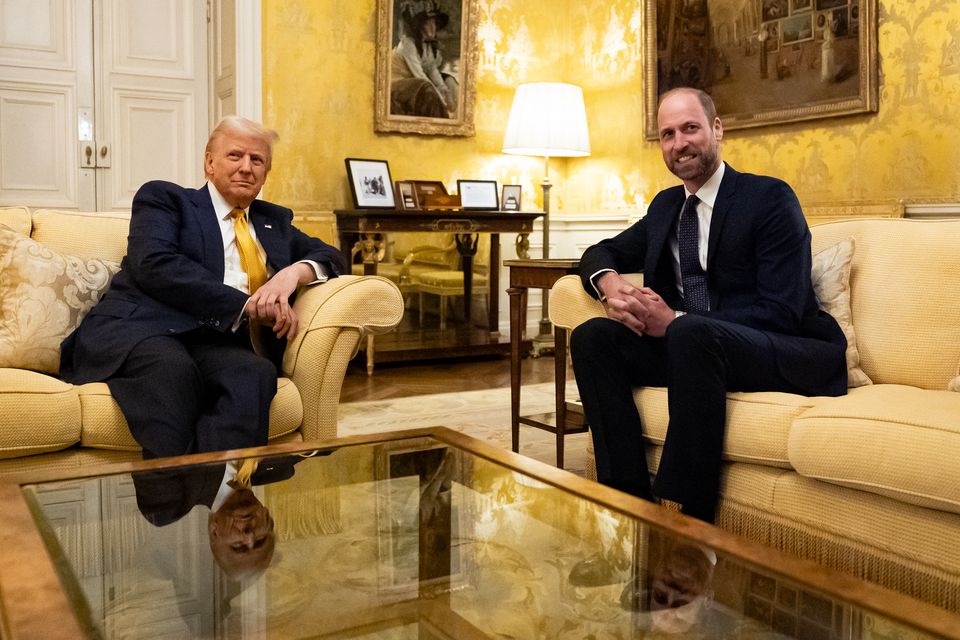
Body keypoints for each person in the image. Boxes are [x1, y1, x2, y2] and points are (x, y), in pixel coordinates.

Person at [571, 87, 847, 523]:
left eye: (690, 128)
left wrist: (675, 319)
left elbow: (783, 310)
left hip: (782, 348)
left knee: (687, 331)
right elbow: (600, 251)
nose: (679, 143)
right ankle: (625, 505)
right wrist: (608, 283)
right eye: (667, 134)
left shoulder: (769, 199)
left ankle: (685, 520)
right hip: (695, 351)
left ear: (717, 129)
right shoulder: (666, 207)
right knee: (593, 337)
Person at [59, 116, 345, 459]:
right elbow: (155, 264)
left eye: (257, 160)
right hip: (145, 331)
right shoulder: (166, 200)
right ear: (209, 162)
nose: (246, 168)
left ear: (266, 173)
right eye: (235, 156)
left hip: (216, 342)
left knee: (254, 374)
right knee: (172, 371)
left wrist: (293, 274)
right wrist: (248, 305)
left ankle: (226, 498)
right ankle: (179, 504)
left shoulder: (273, 222)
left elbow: (333, 256)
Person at [133, 455, 302, 579]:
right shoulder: (279, 469)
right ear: (268, 519)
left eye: (238, 546)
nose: (249, 535)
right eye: (260, 541)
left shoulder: (173, 494)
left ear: (214, 530)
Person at [390, 0, 459, 118]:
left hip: (413, 80)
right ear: (419, 26)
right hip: (397, 84)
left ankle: (454, 115)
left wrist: (443, 88)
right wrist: (441, 99)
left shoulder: (426, 46)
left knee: (449, 81)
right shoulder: (408, 45)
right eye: (428, 23)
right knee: (426, 86)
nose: (433, 27)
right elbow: (420, 75)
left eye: (434, 23)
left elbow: (432, 70)